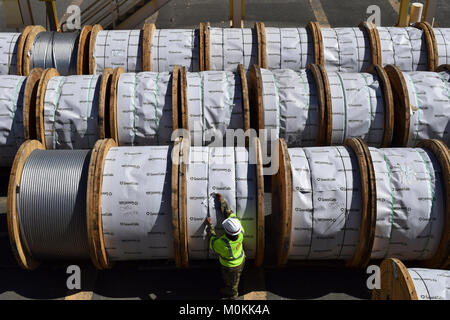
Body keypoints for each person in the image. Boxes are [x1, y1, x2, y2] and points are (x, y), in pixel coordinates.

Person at [206, 193, 245, 300]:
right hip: (240, 260)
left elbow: (211, 240)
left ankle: (232, 294)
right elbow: (229, 213)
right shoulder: (240, 230)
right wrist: (222, 200)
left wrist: (209, 225)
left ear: (226, 232)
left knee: (231, 282)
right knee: (236, 277)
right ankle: (234, 284)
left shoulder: (222, 244)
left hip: (230, 266)